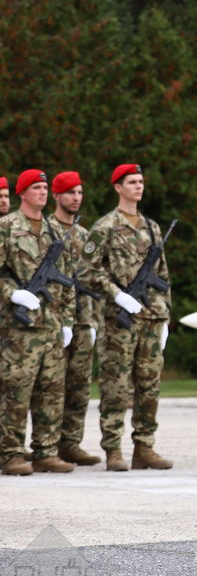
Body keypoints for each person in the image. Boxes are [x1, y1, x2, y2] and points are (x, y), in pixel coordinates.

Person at [78, 164, 173, 471]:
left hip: (151, 317)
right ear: (118, 187)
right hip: (118, 319)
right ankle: (113, 449)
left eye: (141, 181)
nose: (138, 186)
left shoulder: (152, 227)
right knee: (115, 386)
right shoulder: (105, 227)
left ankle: (144, 447)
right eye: (132, 182)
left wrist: (165, 316)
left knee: (149, 385)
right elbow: (86, 271)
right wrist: (116, 294)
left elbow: (162, 275)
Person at [0, 169, 76, 476]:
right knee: (17, 392)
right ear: (22, 193)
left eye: (45, 187)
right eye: (36, 187)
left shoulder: (55, 230)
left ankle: (46, 452)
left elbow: (67, 279)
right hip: (19, 328)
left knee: (52, 392)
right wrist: (11, 293)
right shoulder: (7, 226)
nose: (43, 192)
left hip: (52, 325)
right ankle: (11, 453)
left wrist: (68, 321)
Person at [51, 171, 102, 466]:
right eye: (70, 192)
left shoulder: (84, 235)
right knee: (49, 386)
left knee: (80, 385)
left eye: (80, 192)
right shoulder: (46, 231)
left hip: (83, 320)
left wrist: (94, 321)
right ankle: (44, 446)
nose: (76, 198)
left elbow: (94, 279)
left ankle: (70, 444)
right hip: (52, 320)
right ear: (57, 196)